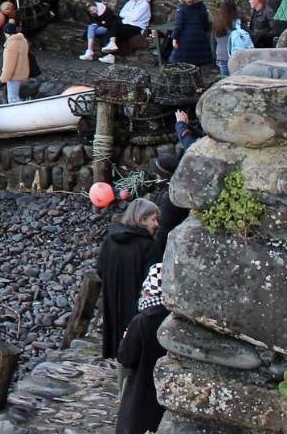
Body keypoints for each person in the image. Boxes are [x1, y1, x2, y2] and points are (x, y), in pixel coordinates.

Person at [97, 198, 162, 358]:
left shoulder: (110, 240)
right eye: (154, 219)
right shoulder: (147, 246)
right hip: (135, 306)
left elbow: (100, 269)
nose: (157, 224)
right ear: (142, 220)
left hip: (112, 300)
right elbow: (152, 281)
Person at [115, 263, 169, 434]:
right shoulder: (176, 320)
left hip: (141, 392)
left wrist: (125, 340)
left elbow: (126, 358)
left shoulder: (141, 321)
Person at [82, 0, 152, 63]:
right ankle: (110, 55)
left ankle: (111, 49)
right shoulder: (131, 2)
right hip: (125, 23)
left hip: (137, 26)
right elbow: (121, 13)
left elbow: (135, 18)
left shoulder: (145, 4)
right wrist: (130, 14)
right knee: (110, 26)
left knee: (113, 26)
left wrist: (129, 14)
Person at [150, 152, 190, 257]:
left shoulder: (168, 197)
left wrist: (155, 249)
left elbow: (164, 227)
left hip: (165, 242)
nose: (155, 175)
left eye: (158, 173)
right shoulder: (168, 190)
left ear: (164, 174)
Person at [168, 0, 213, 66]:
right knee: (198, 62)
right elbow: (205, 22)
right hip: (200, 37)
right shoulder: (201, 6)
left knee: (179, 62)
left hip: (185, 39)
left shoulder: (182, 7)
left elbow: (179, 24)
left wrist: (174, 38)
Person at [217, 1, 253, 76]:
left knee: (225, 82)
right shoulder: (239, 23)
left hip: (222, 57)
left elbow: (214, 42)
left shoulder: (218, 23)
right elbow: (249, 36)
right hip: (237, 57)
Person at [0, 23, 31, 103]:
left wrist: (4, 77)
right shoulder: (23, 40)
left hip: (14, 75)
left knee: (12, 99)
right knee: (16, 96)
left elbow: (10, 64)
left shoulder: (12, 44)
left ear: (7, 33)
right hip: (22, 72)